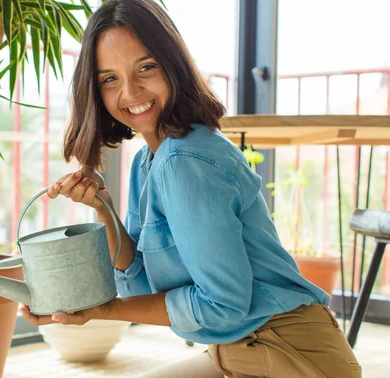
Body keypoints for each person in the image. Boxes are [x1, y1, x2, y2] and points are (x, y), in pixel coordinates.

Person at [20, 0, 361, 376]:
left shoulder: (185, 161)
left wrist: (103, 311)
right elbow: (140, 285)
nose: (130, 92)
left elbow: (224, 303)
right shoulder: (147, 163)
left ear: (172, 64)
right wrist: (104, 210)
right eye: (110, 79)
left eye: (145, 67)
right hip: (242, 346)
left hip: (290, 351)